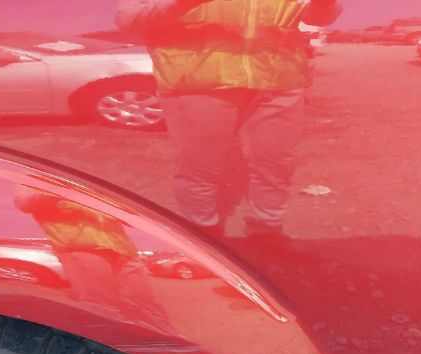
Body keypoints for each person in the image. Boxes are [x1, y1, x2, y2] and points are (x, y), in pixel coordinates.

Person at [115, 0, 343, 236]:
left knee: (276, 164)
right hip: (200, 80)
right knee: (201, 166)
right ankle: (203, 234)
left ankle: (267, 231)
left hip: (280, 78)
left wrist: (325, 3)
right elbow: (129, 19)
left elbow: (320, 17)